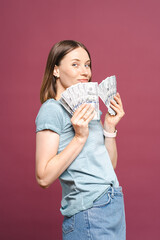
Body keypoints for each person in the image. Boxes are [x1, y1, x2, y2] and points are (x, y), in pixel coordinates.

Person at [35, 40, 126, 240]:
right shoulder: (52, 110)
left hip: (112, 203)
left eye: (87, 64)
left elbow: (108, 167)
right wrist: (79, 137)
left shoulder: (87, 109)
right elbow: (43, 177)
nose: (85, 71)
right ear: (56, 70)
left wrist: (109, 127)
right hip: (89, 209)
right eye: (75, 64)